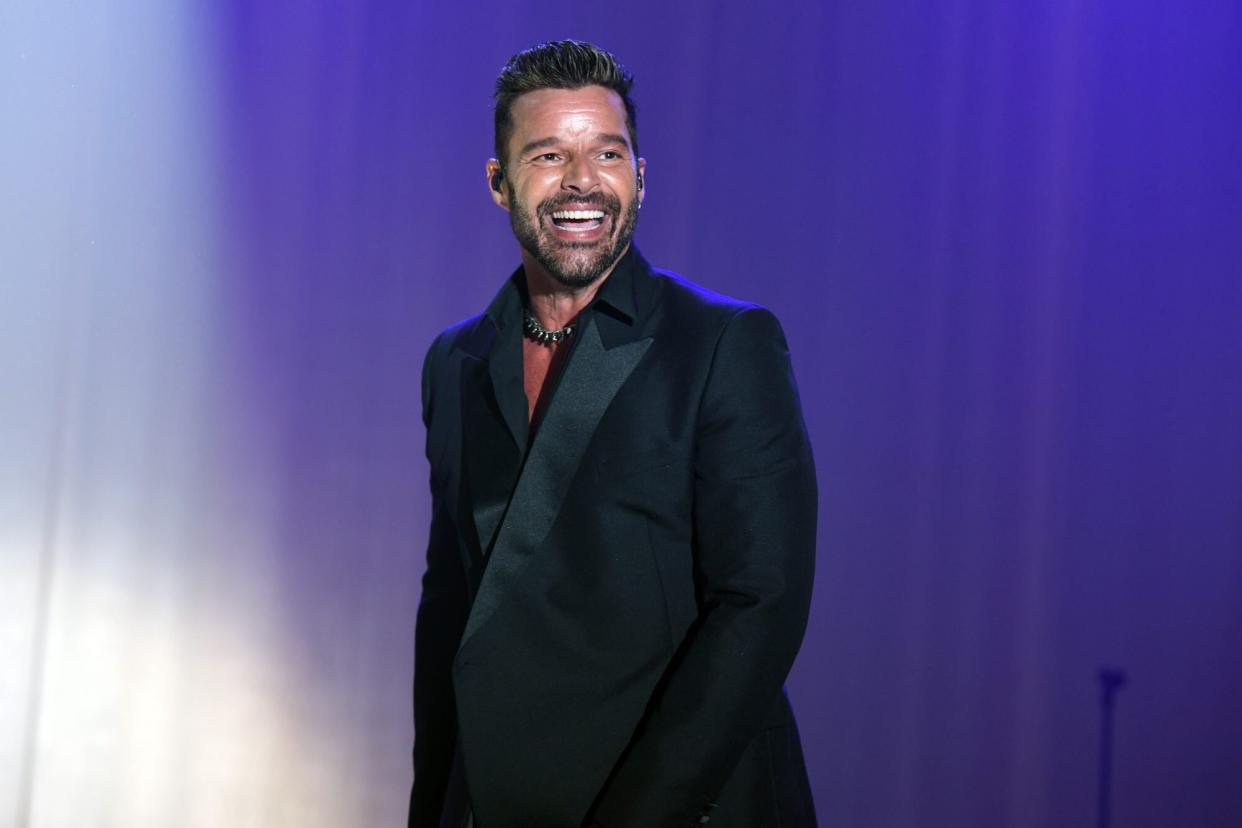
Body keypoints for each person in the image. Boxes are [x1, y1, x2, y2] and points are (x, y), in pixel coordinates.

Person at [410, 40, 818, 828]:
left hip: (681, 805)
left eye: (607, 152)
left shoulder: (723, 345)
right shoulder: (455, 362)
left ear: (639, 175)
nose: (582, 181)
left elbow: (760, 604)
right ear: (499, 184)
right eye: (548, 155)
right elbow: (451, 605)